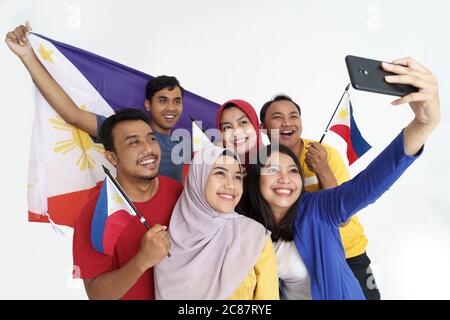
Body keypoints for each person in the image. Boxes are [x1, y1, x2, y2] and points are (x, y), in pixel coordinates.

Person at [246, 57, 440, 299]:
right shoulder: (251, 228)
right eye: (273, 170)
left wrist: (422, 124)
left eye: (293, 170)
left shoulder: (316, 206)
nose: (285, 178)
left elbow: (365, 186)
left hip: (351, 253)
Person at [5, 22, 185, 183]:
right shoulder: (126, 131)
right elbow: (73, 115)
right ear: (148, 104)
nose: (171, 107)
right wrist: (27, 55)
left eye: (177, 101)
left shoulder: (183, 143)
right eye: (163, 100)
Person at [260, 94, 380, 299]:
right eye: (278, 117)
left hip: (347, 252)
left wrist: (322, 169)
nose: (287, 122)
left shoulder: (325, 154)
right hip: (295, 258)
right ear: (263, 128)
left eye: (293, 116)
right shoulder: (261, 160)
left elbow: (343, 216)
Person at [73, 109, 183, 299]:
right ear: (112, 158)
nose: (148, 148)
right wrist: (142, 260)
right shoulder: (94, 213)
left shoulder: (180, 194)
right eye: (134, 142)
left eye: (151, 139)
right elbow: (96, 295)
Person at [155, 146, 279, 299]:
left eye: (237, 177)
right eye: (220, 173)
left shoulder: (255, 236)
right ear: (197, 178)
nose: (231, 185)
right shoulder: (167, 242)